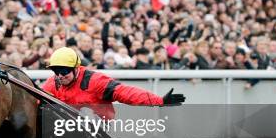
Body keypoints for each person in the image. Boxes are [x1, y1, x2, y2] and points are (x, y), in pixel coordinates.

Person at [42, 47, 185, 119]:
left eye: (64, 71)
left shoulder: (95, 82)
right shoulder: (52, 83)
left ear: (75, 68)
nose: (60, 76)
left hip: (98, 125)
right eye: (56, 71)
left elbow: (126, 93)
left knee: (85, 113)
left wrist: (159, 100)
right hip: (69, 125)